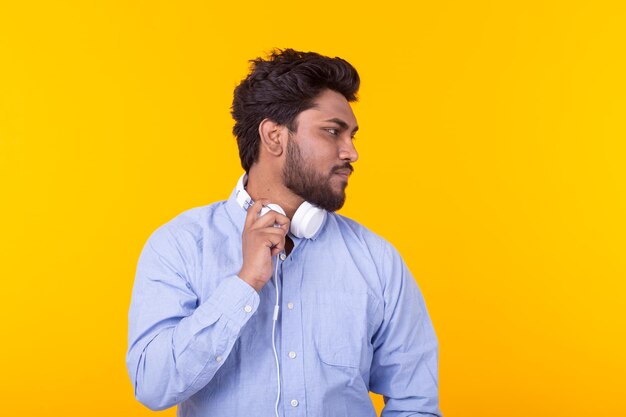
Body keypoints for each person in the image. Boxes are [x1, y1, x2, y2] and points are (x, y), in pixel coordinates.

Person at [126, 48, 442, 417]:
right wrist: (244, 284)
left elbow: (415, 402)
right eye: (332, 132)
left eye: (352, 135)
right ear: (274, 136)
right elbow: (152, 386)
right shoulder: (179, 246)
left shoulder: (377, 259)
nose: (351, 152)